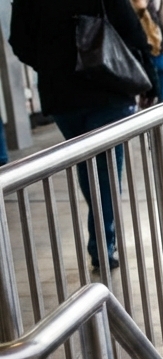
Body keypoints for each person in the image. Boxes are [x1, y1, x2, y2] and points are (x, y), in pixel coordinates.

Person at [9, 0, 155, 272]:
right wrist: (150, 76)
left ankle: (101, 239)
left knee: (89, 170)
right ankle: (102, 246)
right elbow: (131, 29)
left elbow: (19, 42)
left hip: (62, 96)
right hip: (108, 86)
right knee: (106, 172)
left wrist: (52, 60)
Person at [131, 0, 163, 102]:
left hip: (135, 59)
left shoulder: (125, 4)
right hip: (160, 56)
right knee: (162, 95)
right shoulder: (158, 2)